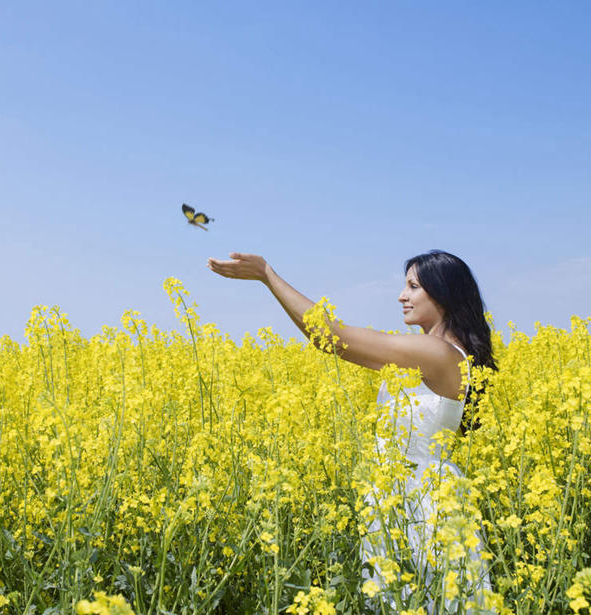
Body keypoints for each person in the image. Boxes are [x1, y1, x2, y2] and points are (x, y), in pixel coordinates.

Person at [207, 249, 496, 613]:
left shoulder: (436, 353)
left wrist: (268, 274)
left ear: (443, 293)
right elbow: (330, 343)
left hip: (423, 502)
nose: (401, 296)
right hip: (401, 493)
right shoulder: (431, 351)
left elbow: (331, 336)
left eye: (413, 286)